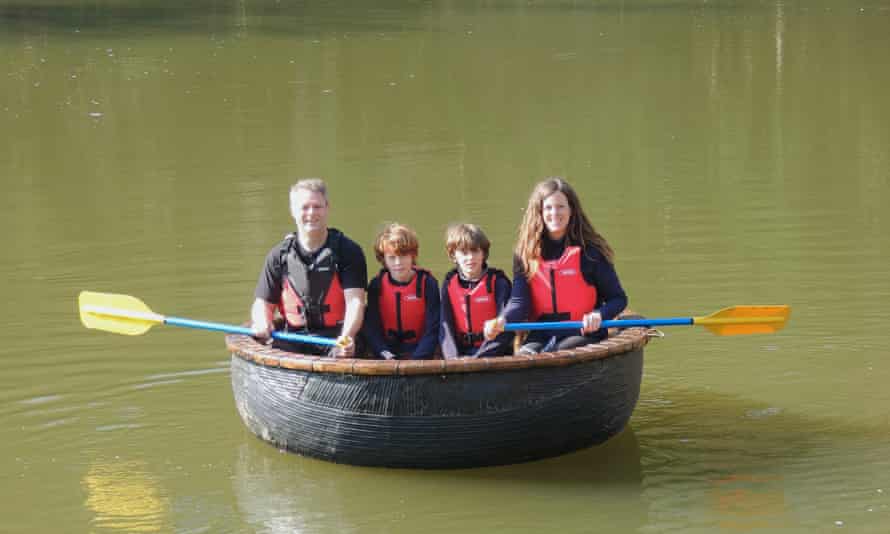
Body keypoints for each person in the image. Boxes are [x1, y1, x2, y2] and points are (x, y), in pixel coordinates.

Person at [484, 177, 627, 353]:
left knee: (558, 352)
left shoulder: (591, 252)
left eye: (561, 207)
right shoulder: (524, 253)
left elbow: (618, 299)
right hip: (542, 333)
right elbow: (519, 302)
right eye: (548, 208)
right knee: (525, 355)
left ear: (571, 210)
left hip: (583, 331)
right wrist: (502, 320)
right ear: (539, 212)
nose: (554, 213)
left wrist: (599, 315)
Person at [250, 179, 367, 357]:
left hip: (336, 338)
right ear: (293, 211)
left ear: (327, 208)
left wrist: (347, 336)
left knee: (345, 353)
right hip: (293, 338)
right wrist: (261, 322)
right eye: (305, 207)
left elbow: (355, 303)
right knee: (269, 348)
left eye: (317, 206)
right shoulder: (278, 255)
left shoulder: (349, 251)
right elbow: (262, 303)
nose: (311, 213)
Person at [362, 223, 440, 360]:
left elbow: (433, 328)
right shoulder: (376, 285)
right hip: (387, 352)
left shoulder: (428, 283)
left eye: (403, 256)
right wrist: (385, 354)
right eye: (392, 257)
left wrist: (418, 358)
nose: (398, 262)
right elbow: (372, 327)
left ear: (413, 255)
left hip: (420, 351)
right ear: (383, 259)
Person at [439, 223, 513, 358]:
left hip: (494, 353)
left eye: (475, 251)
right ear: (454, 255)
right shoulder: (449, 284)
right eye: (464, 252)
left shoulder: (499, 282)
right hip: (460, 354)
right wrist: (453, 359)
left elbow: (506, 329)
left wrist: (479, 357)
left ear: (483, 253)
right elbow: (445, 327)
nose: (470, 258)